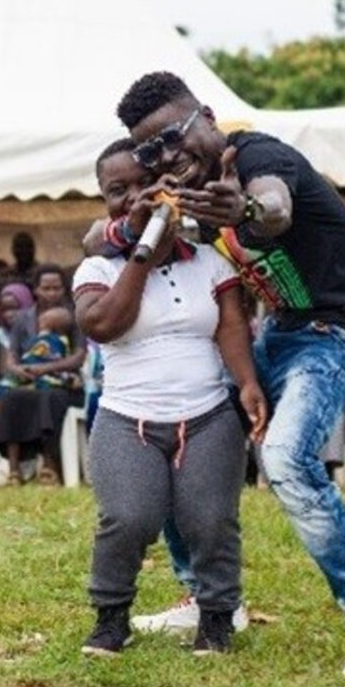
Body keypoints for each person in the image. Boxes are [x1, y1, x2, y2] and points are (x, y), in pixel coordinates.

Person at [95, 71, 345, 676]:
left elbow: (273, 209)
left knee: (287, 459)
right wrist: (131, 224)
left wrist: (239, 207)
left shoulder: (260, 155)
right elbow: (95, 237)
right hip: (283, 336)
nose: (168, 156)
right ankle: (212, 599)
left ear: (208, 117)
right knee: (177, 415)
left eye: (174, 136)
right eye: (151, 150)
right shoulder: (182, 193)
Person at [73, 137, 268, 656]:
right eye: (119, 191)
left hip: (205, 416)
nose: (136, 195)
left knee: (210, 522)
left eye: (145, 183)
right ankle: (112, 619)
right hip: (127, 418)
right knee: (129, 518)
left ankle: (218, 618)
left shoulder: (208, 262)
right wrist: (140, 245)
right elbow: (105, 324)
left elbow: (230, 328)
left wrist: (247, 383)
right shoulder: (98, 269)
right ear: (104, 199)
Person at [0, 280, 86, 485]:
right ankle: (14, 469)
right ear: (36, 290)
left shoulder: (74, 317)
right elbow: (12, 357)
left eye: (56, 287)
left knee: (48, 399)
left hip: (64, 383)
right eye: (46, 287)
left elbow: (79, 357)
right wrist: (20, 370)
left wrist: (45, 368)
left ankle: (50, 465)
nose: (51, 292)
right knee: (11, 398)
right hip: (32, 380)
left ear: (64, 290)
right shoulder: (23, 318)